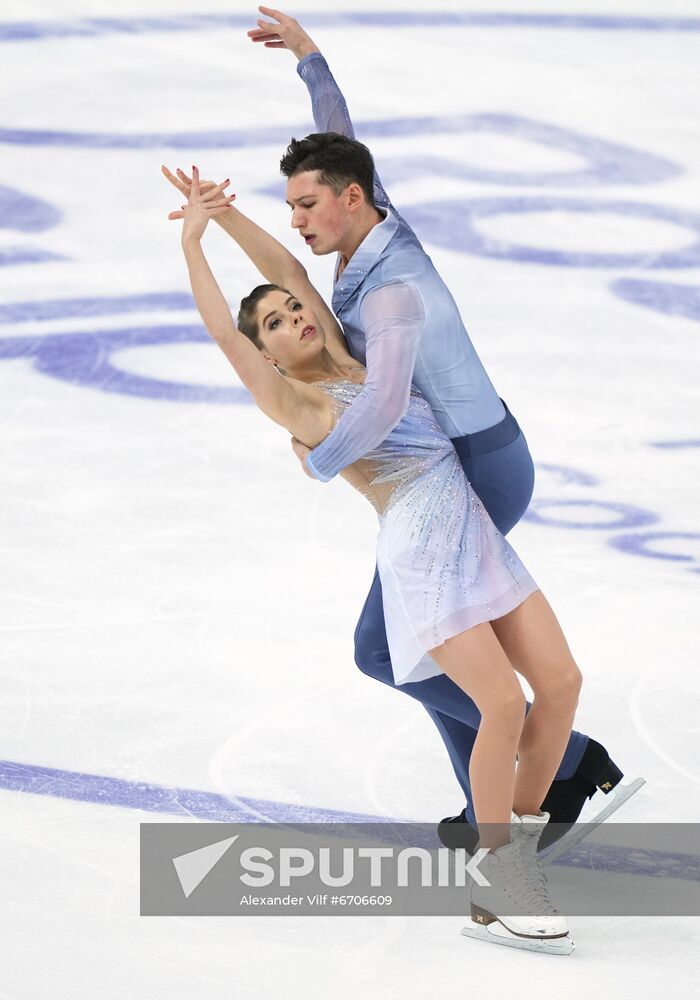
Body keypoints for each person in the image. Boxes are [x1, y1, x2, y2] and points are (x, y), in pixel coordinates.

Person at [241, 6, 633, 852]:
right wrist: (310, 59)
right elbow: (341, 145)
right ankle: (521, 778)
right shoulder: (369, 219)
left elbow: (383, 405)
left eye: (305, 204)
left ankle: (557, 761)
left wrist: (321, 458)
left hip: (477, 467)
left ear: (346, 202)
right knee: (405, 651)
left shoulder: (393, 288)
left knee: (389, 652)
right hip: (475, 454)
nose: (297, 219)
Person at [167, 163, 579, 951]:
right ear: (268, 355)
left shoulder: (354, 358)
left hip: (474, 531)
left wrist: (223, 215)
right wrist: (193, 241)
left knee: (560, 685)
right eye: (277, 324)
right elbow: (225, 332)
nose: (295, 317)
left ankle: (512, 852)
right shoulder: (300, 403)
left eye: (295, 310)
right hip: (423, 552)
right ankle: (502, 870)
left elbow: (289, 269)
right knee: (502, 706)